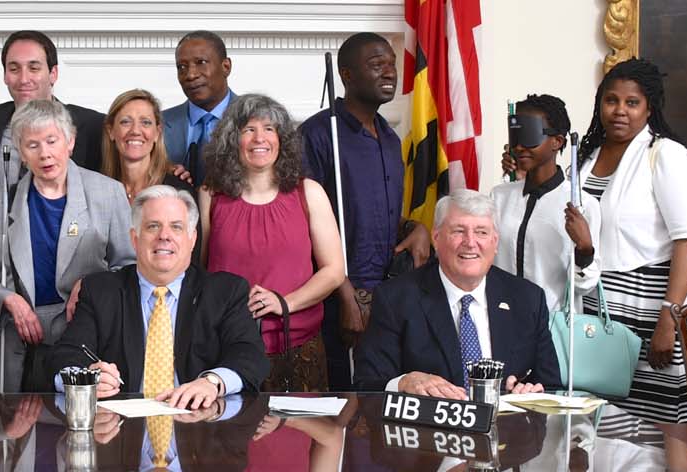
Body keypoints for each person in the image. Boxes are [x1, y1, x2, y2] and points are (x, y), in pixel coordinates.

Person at [572, 58, 687, 428]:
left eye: (632, 102)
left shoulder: (667, 155)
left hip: (651, 307)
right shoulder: (585, 158)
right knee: (600, 423)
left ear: (649, 108)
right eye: (611, 100)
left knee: (658, 428)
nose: (620, 110)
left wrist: (669, 318)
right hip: (598, 306)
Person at [0, 98, 136, 393]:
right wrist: (10, 300)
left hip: (86, 337)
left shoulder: (108, 193)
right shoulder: (0, 200)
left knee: (82, 419)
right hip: (16, 343)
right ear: (21, 152)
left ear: (70, 142)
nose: (44, 153)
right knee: (11, 422)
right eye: (32, 145)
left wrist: (90, 284)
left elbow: (129, 267)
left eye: (51, 141)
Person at [53, 185, 269, 407]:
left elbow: (250, 354)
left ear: (192, 239)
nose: (164, 236)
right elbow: (67, 354)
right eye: (153, 226)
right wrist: (85, 379)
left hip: (201, 421)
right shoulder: (100, 291)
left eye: (176, 227)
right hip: (119, 424)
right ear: (134, 239)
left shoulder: (225, 292)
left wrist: (212, 382)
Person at [299, 32, 430, 390]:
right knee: (341, 399)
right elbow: (302, 224)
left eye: (391, 64)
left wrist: (414, 227)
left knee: (381, 395)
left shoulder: (390, 138)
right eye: (376, 65)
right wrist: (344, 292)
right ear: (347, 75)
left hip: (388, 295)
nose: (389, 72)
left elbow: (376, 212)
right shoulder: (318, 134)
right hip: (336, 297)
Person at [199, 94, 346, 392]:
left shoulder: (309, 192)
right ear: (232, 139)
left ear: (282, 139)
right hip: (226, 349)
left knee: (301, 424)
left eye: (269, 129)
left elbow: (334, 271)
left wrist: (285, 303)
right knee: (230, 423)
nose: (260, 138)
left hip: (297, 348)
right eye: (249, 129)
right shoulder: (210, 195)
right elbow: (199, 271)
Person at [354, 189, 560, 398]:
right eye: (458, 231)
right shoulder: (395, 299)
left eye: (481, 232)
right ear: (436, 238)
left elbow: (551, 386)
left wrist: (533, 391)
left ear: (495, 241)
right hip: (428, 419)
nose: (470, 242)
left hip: (507, 419)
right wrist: (403, 382)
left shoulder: (527, 299)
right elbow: (366, 385)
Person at [489, 93, 601, 308]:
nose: (519, 147)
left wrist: (585, 250)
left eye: (529, 136)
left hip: (552, 321)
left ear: (557, 141)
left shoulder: (583, 205)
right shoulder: (499, 197)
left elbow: (584, 286)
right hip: (503, 318)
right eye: (516, 136)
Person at [0, 30, 106, 190]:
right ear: (5, 75)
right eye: (14, 69)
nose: (23, 79)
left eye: (34, 68)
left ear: (53, 74)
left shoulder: (92, 126)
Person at [163, 30, 235, 186]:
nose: (190, 75)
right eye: (182, 67)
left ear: (226, 66)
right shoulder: (156, 124)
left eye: (201, 62)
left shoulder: (258, 119)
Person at [101, 89, 194, 200]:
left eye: (146, 122)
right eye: (125, 122)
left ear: (157, 133)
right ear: (111, 131)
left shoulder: (177, 191)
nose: (135, 131)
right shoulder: (98, 190)